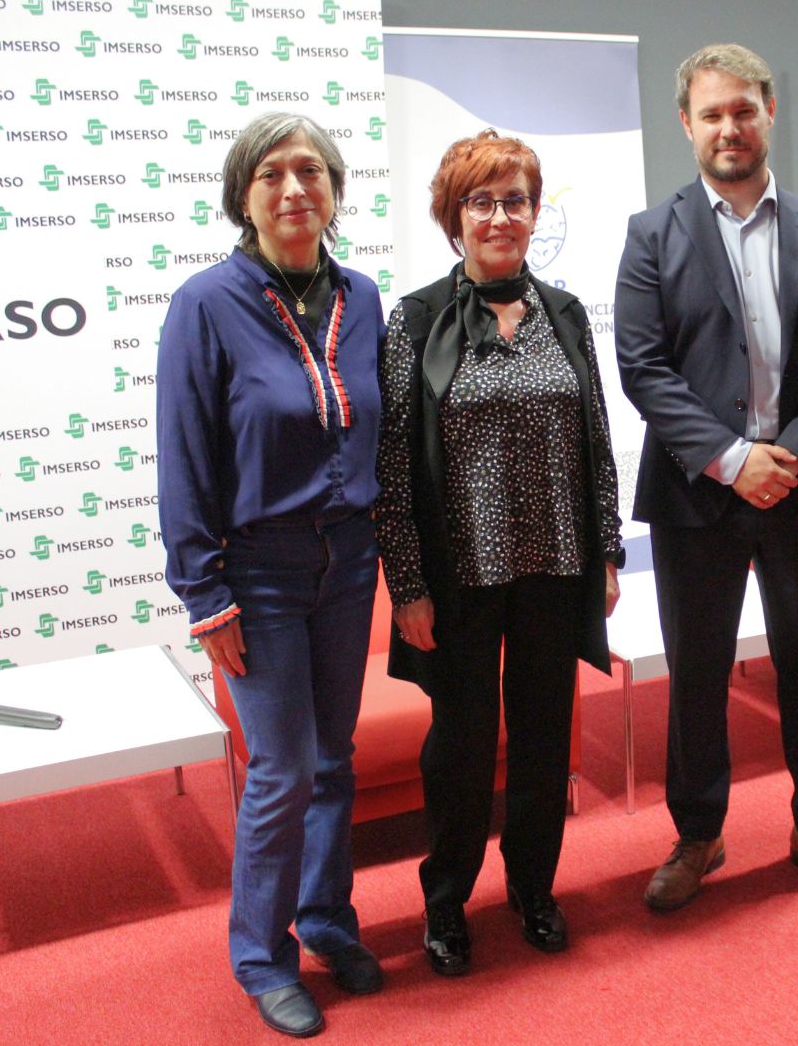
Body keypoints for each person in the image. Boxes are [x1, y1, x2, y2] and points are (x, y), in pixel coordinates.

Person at [614, 44, 798, 912]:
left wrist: (791, 455)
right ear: (686, 124)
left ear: (770, 111)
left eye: (744, 109)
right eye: (711, 113)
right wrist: (733, 460)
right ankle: (698, 836)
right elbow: (643, 367)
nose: (729, 127)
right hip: (700, 496)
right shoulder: (652, 236)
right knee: (696, 674)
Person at [157, 112, 386, 1038]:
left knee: (335, 761)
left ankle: (328, 920)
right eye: (272, 176)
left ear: (333, 191)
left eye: (311, 173)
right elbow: (184, 455)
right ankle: (262, 956)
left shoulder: (362, 296)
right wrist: (203, 592)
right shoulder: (205, 304)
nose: (295, 190)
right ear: (242, 198)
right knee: (281, 771)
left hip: (351, 558)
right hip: (259, 572)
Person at [375, 130, 623, 975]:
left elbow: (595, 436)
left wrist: (610, 548)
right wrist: (407, 584)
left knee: (546, 736)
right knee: (463, 744)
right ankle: (446, 903)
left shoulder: (565, 313)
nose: (500, 216)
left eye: (515, 199)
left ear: (533, 212)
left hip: (556, 563)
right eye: (481, 201)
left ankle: (534, 887)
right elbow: (394, 466)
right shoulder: (414, 320)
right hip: (462, 576)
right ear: (455, 216)